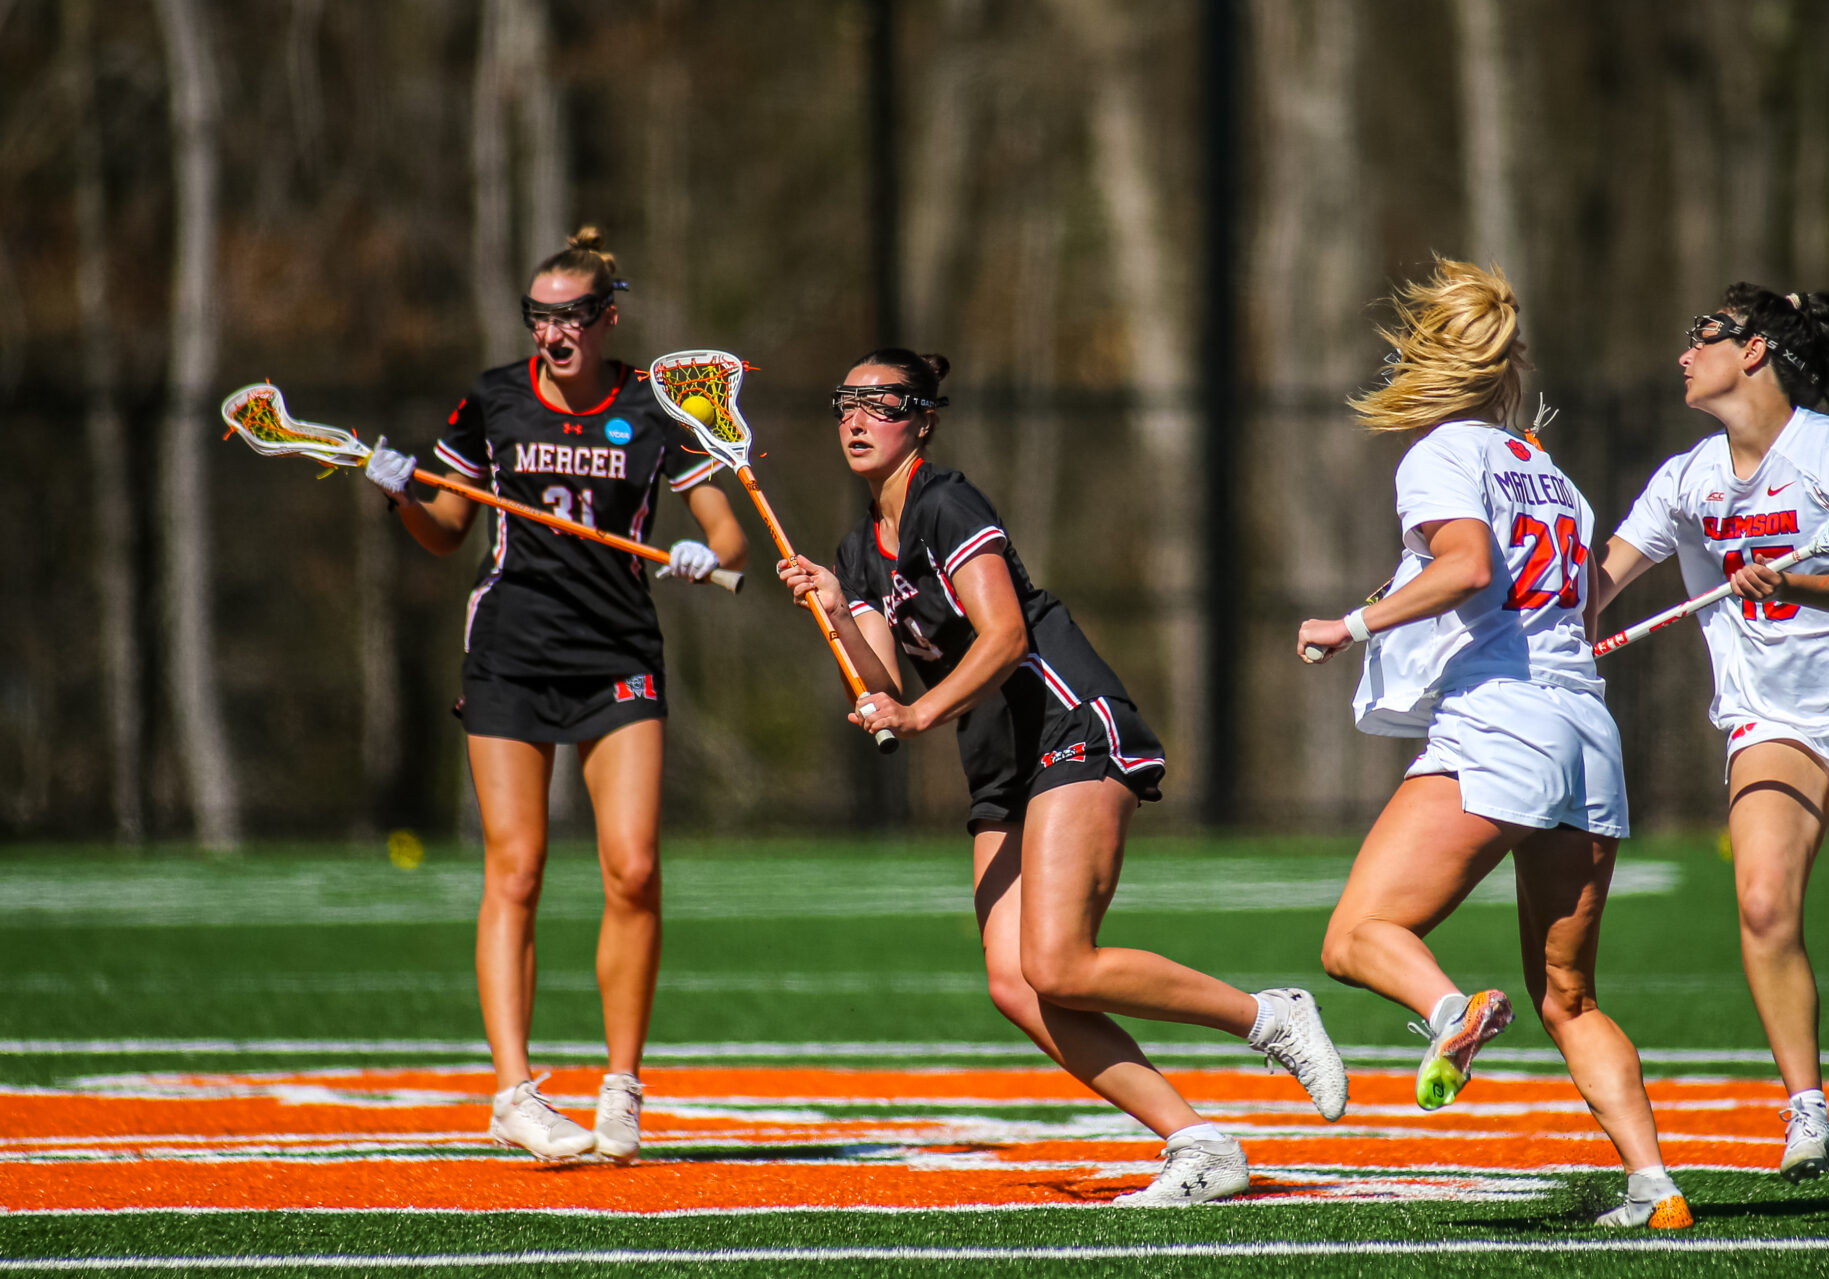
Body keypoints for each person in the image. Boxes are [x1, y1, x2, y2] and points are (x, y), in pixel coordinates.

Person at [775, 349, 1348, 1206]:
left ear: (921, 419)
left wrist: (922, 718)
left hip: (1069, 724)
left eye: (879, 403)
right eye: (844, 402)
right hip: (1001, 759)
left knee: (1062, 964)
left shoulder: (945, 502)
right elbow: (884, 682)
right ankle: (1200, 1143)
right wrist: (832, 607)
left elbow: (1003, 637)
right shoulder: (859, 549)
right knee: (1016, 982)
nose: (856, 419)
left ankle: (1270, 1017)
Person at [1298, 259, 1692, 1229]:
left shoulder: (1443, 455)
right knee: (1569, 998)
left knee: (1355, 938)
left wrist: (1351, 624)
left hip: (1502, 721)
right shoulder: (1543, 468)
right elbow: (1572, 594)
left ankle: (1446, 1014)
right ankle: (1656, 1188)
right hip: (1581, 732)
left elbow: (1465, 565)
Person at [364, 227, 747, 1163]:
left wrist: (707, 555)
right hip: (511, 655)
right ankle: (514, 1092)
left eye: (570, 317)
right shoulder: (491, 401)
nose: (552, 335)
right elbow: (448, 531)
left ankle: (623, 1086)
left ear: (606, 318)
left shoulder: (653, 411)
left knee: (633, 867)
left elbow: (728, 533)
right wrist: (403, 493)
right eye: (539, 317)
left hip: (618, 652)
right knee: (519, 869)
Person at [1598, 285, 1829, 1204]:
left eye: (1698, 338)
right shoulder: (1687, 479)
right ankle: (1808, 1109)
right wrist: (1554, 632)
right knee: (1760, 905)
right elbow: (1602, 577)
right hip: (1770, 718)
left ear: (1753, 351)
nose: (1683, 356)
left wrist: (1791, 576)